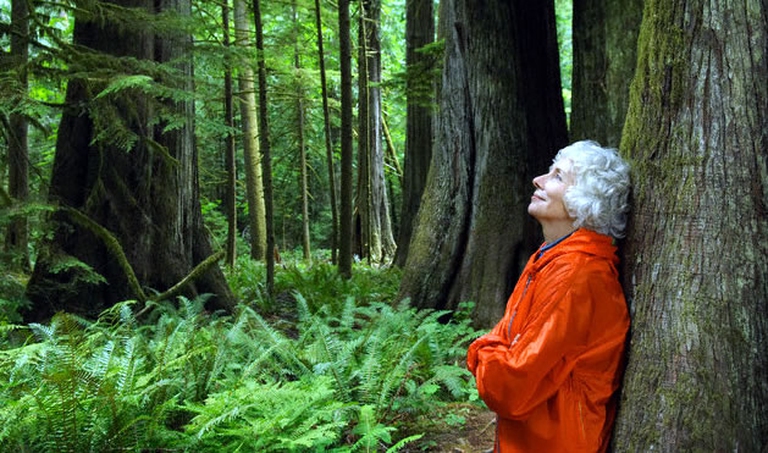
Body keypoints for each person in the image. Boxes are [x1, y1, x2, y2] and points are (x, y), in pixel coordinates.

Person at [467, 140, 631, 452]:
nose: (538, 180)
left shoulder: (578, 275)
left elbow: (510, 387)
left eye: (557, 176)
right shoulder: (551, 258)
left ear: (585, 200)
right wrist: (498, 351)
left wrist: (479, 353)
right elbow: (508, 340)